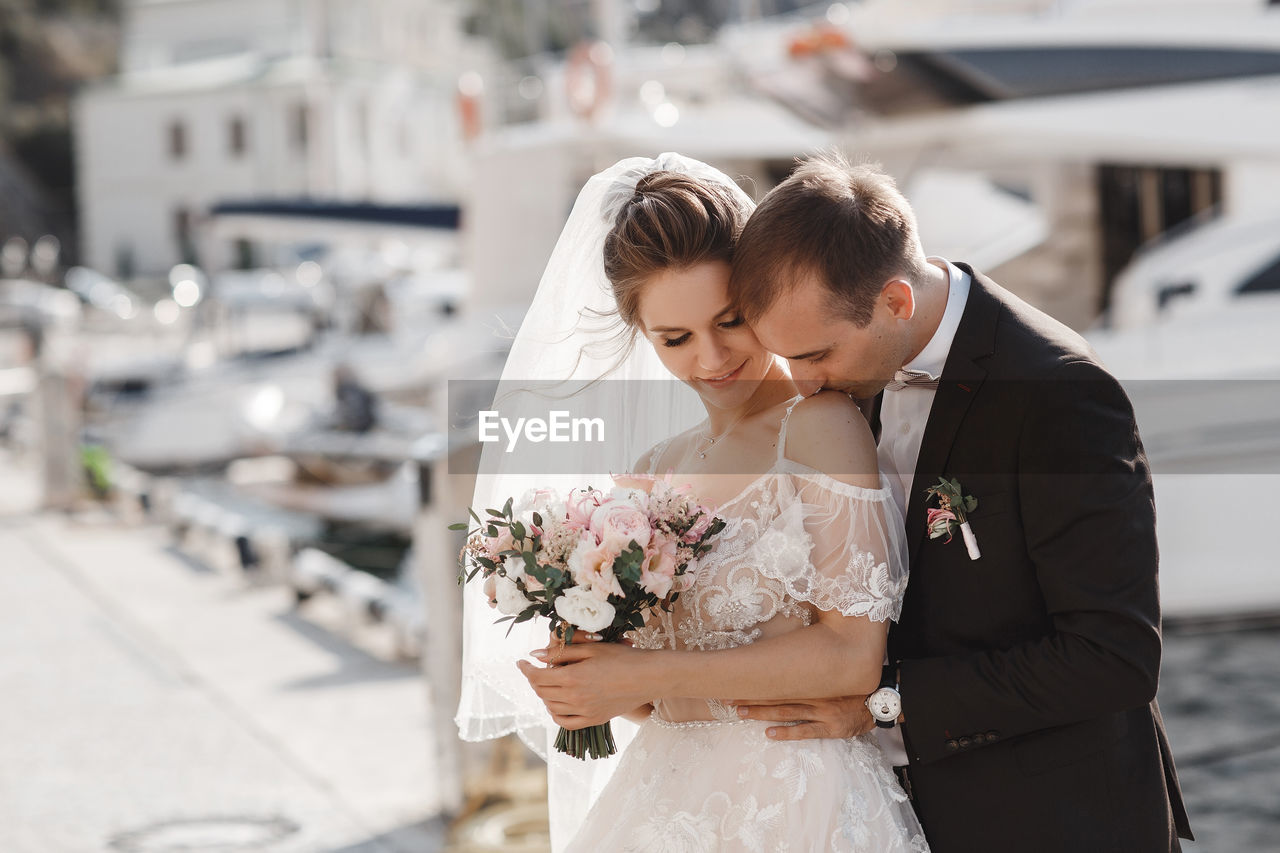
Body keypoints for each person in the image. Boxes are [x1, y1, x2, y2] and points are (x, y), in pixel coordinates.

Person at [723, 152, 1194, 852]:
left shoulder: (1059, 396)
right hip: (898, 816)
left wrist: (883, 703)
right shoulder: (851, 382)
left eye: (817, 353)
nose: (804, 382)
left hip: (1054, 819)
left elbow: (1113, 656)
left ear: (895, 302)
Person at [459, 154, 927, 852]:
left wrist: (644, 672)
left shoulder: (819, 426)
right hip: (662, 805)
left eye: (730, 321)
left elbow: (852, 657)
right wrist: (586, 671)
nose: (711, 358)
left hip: (796, 802)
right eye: (674, 339)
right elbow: (648, 702)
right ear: (643, 335)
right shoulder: (652, 471)